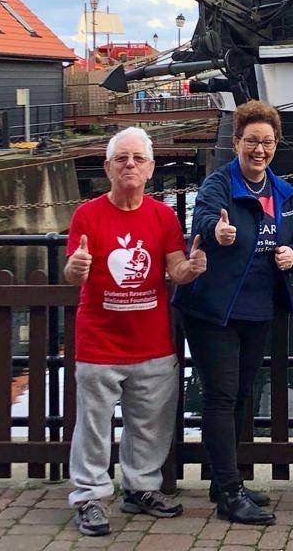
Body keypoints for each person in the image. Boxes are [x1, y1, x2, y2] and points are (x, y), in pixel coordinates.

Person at [64, 126, 206, 537]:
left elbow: (174, 268)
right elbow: (75, 270)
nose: (130, 165)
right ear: (108, 167)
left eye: (138, 159)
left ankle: (141, 488)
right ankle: (89, 496)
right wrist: (75, 269)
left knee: (150, 423)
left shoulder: (162, 216)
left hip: (151, 342)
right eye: (121, 158)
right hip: (99, 342)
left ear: (151, 169)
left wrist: (191, 268)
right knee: (93, 424)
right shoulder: (86, 215)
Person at [172, 101, 293, 526]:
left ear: (275, 145)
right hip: (215, 308)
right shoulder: (219, 184)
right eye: (251, 142)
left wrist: (291, 255)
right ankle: (229, 493)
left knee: (242, 395)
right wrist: (217, 231)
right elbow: (204, 219)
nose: (259, 150)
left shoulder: (282, 193)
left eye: (266, 142)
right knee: (221, 395)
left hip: (258, 306)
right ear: (236, 143)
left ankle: (222, 480)